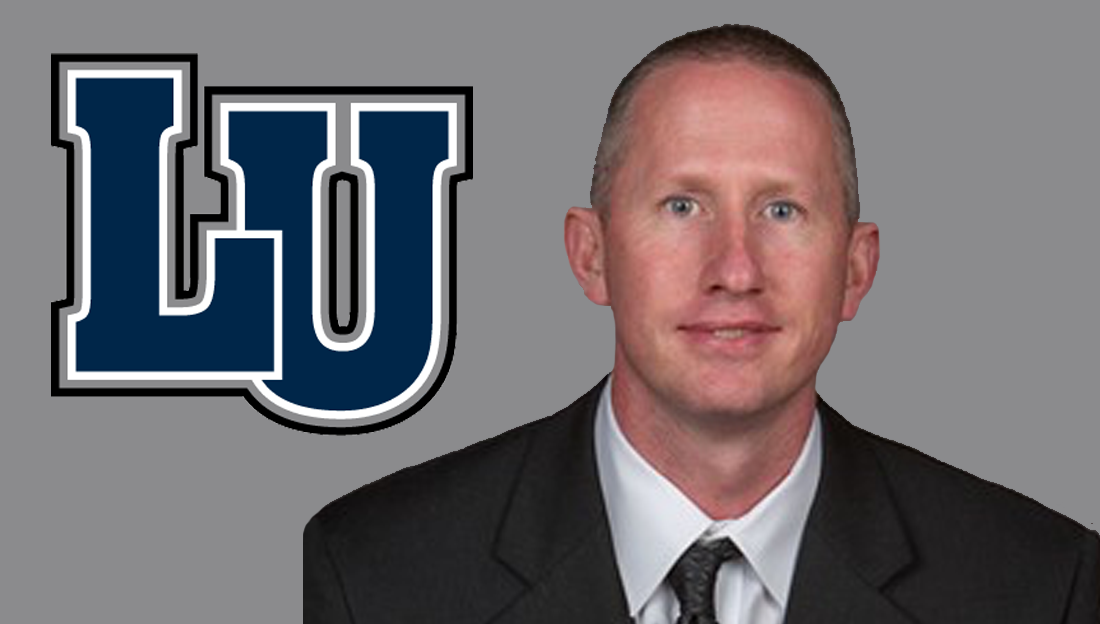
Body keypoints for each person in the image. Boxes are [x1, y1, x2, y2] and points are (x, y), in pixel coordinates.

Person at [304, 24, 1099, 624]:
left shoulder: (1042, 585)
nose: (736, 269)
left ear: (856, 270)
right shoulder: (370, 572)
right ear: (591, 255)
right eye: (682, 206)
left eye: (782, 210)